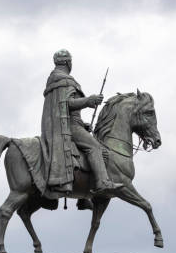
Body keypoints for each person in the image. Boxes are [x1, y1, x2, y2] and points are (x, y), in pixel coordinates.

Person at [41, 48, 123, 196]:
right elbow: (68, 103)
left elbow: (66, 110)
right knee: (95, 147)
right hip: (69, 127)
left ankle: (84, 198)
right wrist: (88, 100)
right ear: (67, 62)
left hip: (71, 124)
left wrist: (83, 124)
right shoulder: (64, 79)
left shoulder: (55, 79)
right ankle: (102, 182)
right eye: (70, 61)